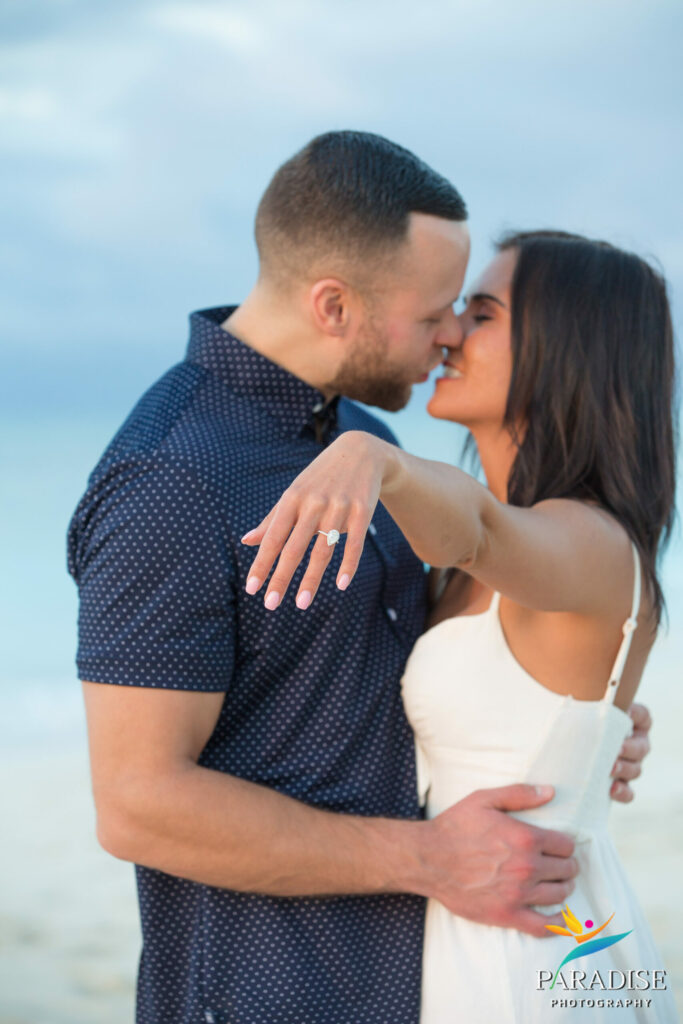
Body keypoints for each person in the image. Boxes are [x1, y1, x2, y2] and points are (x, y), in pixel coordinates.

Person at [67, 133, 651, 1024]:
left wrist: (578, 720)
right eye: (439, 311)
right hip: (270, 991)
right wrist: (426, 858)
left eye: (473, 311)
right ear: (334, 305)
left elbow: (428, 659)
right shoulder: (173, 477)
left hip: (444, 963)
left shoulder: (362, 441)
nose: (449, 334)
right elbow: (138, 805)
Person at [240, 229, 678, 1021]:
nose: (447, 333)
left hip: (536, 954)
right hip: (466, 926)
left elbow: (476, 528)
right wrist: (602, 733)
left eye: (481, 314)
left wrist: (373, 458)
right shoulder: (471, 568)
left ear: (565, 346)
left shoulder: (590, 541)